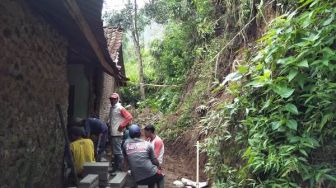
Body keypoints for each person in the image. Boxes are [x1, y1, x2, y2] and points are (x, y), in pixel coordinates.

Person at [108, 92, 133, 172]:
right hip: (113, 133)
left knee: (118, 152)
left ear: (117, 99)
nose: (112, 100)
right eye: (111, 99)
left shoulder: (120, 108)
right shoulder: (112, 108)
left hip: (117, 133)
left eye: (114, 99)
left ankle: (121, 169)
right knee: (115, 152)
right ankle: (116, 167)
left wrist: (122, 126)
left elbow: (129, 117)